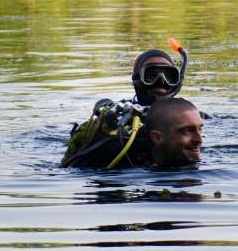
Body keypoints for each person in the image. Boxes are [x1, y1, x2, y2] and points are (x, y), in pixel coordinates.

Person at [61, 41, 190, 168]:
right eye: (151, 75)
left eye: (169, 75)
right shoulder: (119, 115)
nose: (161, 81)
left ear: (176, 81)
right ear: (136, 80)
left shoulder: (191, 117)